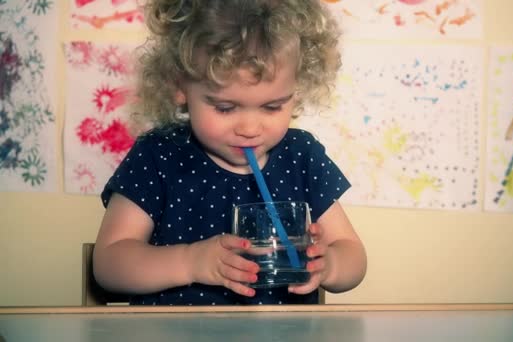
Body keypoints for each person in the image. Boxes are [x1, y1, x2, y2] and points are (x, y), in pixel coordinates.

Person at [93, 0, 367, 305]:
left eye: (272, 106)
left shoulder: (301, 156)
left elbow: (353, 256)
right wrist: (190, 262)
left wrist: (330, 265)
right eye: (225, 108)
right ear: (180, 86)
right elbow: (108, 264)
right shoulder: (158, 155)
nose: (250, 128)